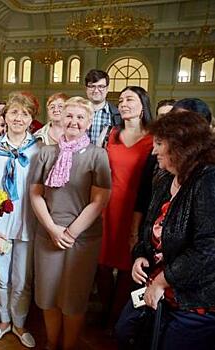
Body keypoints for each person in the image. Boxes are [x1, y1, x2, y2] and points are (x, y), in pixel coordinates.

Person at [116, 111, 215, 350]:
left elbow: (208, 248)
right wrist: (140, 254)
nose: (153, 151)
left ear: (182, 146)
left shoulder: (208, 179)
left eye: (159, 144)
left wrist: (162, 281)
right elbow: (150, 228)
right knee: (124, 331)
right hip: (156, 285)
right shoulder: (164, 177)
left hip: (194, 297)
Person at [30, 96, 111, 350]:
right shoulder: (45, 152)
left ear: (88, 122)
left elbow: (99, 201)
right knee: (48, 296)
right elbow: (35, 194)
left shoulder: (98, 155)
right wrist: (53, 229)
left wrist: (71, 232)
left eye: (79, 117)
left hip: (82, 239)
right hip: (48, 234)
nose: (73, 121)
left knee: (73, 299)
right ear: (60, 118)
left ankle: (69, 346)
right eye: (69, 115)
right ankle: (52, 343)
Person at [0, 92, 40, 348]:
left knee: (22, 279)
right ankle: (3, 320)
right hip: (0, 222)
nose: (18, 118)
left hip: (28, 222)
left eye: (24, 114)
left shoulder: (38, 149)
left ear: (31, 120)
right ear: (5, 117)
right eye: (13, 112)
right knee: (2, 277)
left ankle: (20, 322)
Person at [97, 86, 153, 328]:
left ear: (143, 104)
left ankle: (117, 319)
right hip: (107, 207)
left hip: (136, 209)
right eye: (120, 100)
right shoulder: (110, 133)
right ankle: (104, 311)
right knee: (102, 263)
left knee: (129, 264)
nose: (123, 103)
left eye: (130, 98)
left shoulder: (154, 137)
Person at [84, 69, 121, 144]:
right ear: (86, 89)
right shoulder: (76, 112)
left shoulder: (118, 115)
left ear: (107, 89)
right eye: (92, 86)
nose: (96, 90)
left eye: (101, 86)